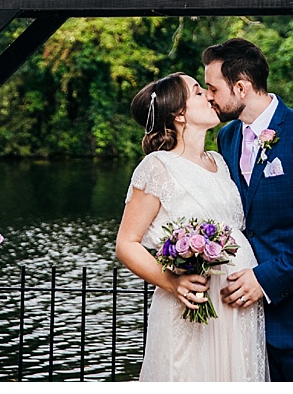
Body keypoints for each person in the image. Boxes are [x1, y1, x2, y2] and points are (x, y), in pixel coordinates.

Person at [203, 38, 293, 382]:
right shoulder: (227, 138)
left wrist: (265, 279)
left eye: (213, 88)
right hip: (243, 324)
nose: (209, 96)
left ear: (240, 87)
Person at [117, 73, 269, 381]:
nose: (210, 96)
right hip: (193, 305)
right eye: (199, 92)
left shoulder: (219, 161)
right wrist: (174, 283)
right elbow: (127, 243)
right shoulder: (157, 166)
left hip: (237, 307)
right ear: (180, 114)